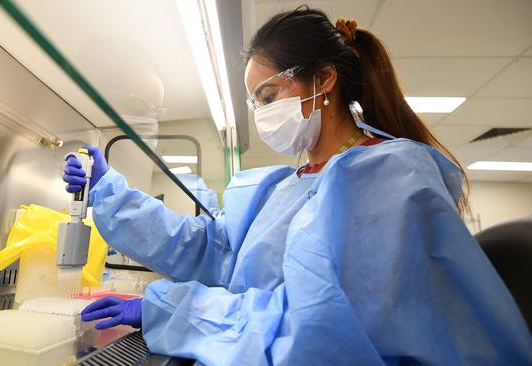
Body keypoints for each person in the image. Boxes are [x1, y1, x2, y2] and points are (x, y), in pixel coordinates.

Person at [64, 7, 532, 365]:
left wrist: (171, 309)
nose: (263, 112)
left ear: (324, 79)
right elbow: (218, 252)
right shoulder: (286, 186)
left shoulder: (387, 178)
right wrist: (112, 193)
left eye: (268, 96)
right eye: (255, 102)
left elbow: (319, 329)